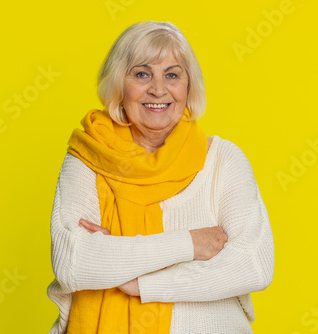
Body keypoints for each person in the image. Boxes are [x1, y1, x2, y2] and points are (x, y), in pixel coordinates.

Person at [46, 21, 274, 334]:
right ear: (118, 85)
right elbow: (74, 263)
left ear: (188, 85)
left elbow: (253, 264)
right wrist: (189, 244)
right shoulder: (89, 157)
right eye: (141, 74)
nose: (158, 89)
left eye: (172, 74)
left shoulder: (222, 160)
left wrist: (139, 281)